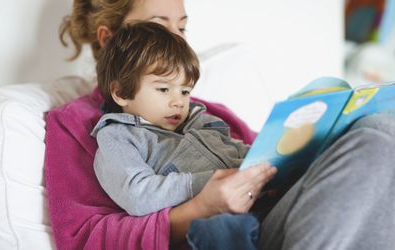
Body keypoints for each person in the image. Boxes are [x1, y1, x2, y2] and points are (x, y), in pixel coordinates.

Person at [46, 0, 395, 249]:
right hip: (232, 231)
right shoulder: (83, 127)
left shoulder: (203, 111)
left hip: (276, 212)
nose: (178, 40)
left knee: (378, 128)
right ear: (110, 40)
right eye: (159, 25)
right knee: (373, 145)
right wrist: (202, 206)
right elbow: (85, 238)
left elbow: (261, 155)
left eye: (181, 27)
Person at [91, 21, 277, 220]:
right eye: (163, 89)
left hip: (262, 199)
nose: (178, 101)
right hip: (216, 220)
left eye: (185, 91)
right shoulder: (118, 137)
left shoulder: (203, 122)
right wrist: (204, 182)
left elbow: (240, 153)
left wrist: (268, 168)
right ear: (120, 93)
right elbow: (137, 195)